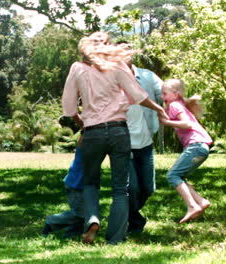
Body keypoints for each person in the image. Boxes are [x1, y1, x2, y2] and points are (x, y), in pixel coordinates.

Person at [61, 31, 168, 245]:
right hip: (119, 131)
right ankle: (115, 239)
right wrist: (158, 109)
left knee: (91, 183)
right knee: (121, 188)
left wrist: (83, 123)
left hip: (92, 133)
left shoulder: (77, 68)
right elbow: (137, 95)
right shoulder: (117, 65)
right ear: (108, 46)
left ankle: (92, 220)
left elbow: (69, 106)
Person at [121, 48, 163, 234]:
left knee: (148, 187)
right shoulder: (112, 80)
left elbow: (166, 93)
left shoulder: (147, 76)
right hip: (123, 143)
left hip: (145, 141)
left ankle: (128, 214)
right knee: (132, 187)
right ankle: (135, 222)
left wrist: (181, 103)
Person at [159, 79, 212, 224]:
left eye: (165, 94)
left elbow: (186, 124)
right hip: (202, 147)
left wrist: (167, 123)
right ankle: (201, 202)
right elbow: (160, 113)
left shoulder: (175, 105)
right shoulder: (177, 104)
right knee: (178, 175)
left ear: (176, 94)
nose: (162, 97)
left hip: (196, 145)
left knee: (173, 175)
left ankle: (192, 206)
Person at [42, 139, 85, 239]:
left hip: (79, 184)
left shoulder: (89, 138)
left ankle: (70, 234)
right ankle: (51, 221)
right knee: (80, 214)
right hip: (76, 184)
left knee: (84, 215)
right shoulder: (87, 139)